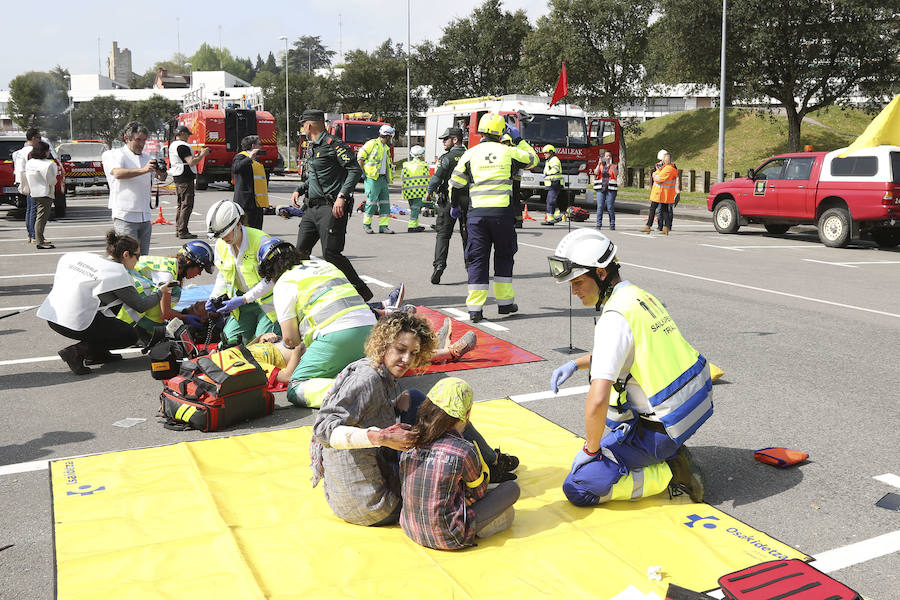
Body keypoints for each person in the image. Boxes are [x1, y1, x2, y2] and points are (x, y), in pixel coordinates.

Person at [547, 229, 711, 506]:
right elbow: (629, 350)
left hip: (661, 428)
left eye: (577, 282)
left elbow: (597, 400)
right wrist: (575, 363)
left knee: (578, 485)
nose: (574, 291)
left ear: (600, 273)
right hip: (686, 411)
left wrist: (590, 451)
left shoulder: (614, 317)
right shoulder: (637, 297)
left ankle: (669, 473)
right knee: (613, 431)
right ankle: (669, 451)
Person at [309, 312, 519, 527]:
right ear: (383, 344)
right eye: (400, 350)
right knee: (440, 411)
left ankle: (487, 462)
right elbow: (323, 429)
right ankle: (483, 466)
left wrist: (389, 410)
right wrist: (380, 436)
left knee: (413, 398)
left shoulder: (375, 369)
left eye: (413, 353)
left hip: (343, 501)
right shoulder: (367, 379)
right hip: (375, 505)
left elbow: (359, 415)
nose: (407, 359)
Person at [400, 377, 520, 550]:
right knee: (511, 489)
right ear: (466, 414)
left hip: (410, 527)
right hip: (450, 537)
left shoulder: (410, 438)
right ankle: (480, 526)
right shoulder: (464, 450)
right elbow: (478, 494)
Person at [257, 238, 377, 408]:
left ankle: (353, 393)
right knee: (340, 369)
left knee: (296, 387)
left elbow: (291, 339)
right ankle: (367, 382)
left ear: (270, 272)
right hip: (371, 332)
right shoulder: (325, 265)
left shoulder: (285, 282)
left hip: (337, 336)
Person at [37, 231, 177, 375]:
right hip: (72, 321)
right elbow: (140, 306)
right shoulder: (117, 273)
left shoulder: (91, 260)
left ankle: (97, 354)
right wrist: (161, 291)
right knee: (129, 335)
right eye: (137, 256)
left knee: (110, 319)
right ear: (126, 255)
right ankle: (76, 352)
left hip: (52, 316)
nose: (138, 260)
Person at [449, 113, 538, 322]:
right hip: (502, 214)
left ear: (480, 132)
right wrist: (518, 139)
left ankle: (475, 309)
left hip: (477, 215)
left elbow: (456, 184)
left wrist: (455, 207)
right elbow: (533, 158)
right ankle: (505, 304)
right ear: (502, 132)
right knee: (504, 256)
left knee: (477, 260)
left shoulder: (470, 154)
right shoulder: (509, 151)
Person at [290, 109, 372, 301]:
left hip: (331, 207)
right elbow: (317, 178)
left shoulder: (333, 145)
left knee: (331, 253)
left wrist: (342, 196)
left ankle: (361, 291)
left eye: (303, 125)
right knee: (299, 253)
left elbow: (354, 169)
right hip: (312, 209)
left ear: (309, 125)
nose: (302, 128)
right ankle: (305, 293)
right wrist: (300, 189)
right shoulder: (313, 147)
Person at [204, 199, 280, 346]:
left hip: (268, 306)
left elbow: (271, 279)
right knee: (227, 345)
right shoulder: (221, 244)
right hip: (242, 306)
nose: (223, 238)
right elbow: (222, 275)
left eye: (226, 234)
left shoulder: (261, 241)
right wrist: (214, 296)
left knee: (263, 346)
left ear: (238, 224)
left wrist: (244, 298)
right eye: (220, 236)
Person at [120, 240, 215, 332]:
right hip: (124, 314)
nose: (199, 274)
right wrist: (184, 317)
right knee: (174, 293)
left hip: (124, 293)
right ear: (190, 262)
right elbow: (165, 313)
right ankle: (142, 328)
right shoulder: (167, 276)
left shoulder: (170, 264)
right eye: (200, 269)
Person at [102, 122, 166, 256]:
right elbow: (118, 173)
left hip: (145, 216)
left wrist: (161, 172)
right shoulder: (114, 154)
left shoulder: (147, 158)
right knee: (127, 257)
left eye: (144, 140)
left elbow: (161, 178)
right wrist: (144, 170)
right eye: (138, 140)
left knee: (143, 258)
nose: (142, 144)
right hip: (125, 215)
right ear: (127, 138)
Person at [427, 127, 469, 285]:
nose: (443, 142)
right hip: (468, 201)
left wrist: (429, 191)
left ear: (455, 140)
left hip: (448, 201)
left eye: (446, 139)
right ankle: (470, 267)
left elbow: (438, 177)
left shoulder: (447, 157)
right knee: (468, 236)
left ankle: (439, 266)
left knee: (443, 235)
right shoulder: (470, 155)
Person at [168, 125, 210, 239]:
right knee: (187, 204)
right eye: (186, 134)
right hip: (185, 177)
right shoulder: (183, 146)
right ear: (181, 134)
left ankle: (179, 229)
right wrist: (202, 154)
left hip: (179, 175)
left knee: (181, 204)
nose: (188, 137)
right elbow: (191, 162)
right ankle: (182, 230)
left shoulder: (173, 145)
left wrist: (198, 155)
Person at [358, 124, 396, 234]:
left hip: (383, 179)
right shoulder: (372, 144)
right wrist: (363, 173)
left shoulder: (386, 148)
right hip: (372, 178)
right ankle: (367, 225)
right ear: (388, 136)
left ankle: (383, 226)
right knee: (371, 202)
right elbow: (360, 158)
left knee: (385, 203)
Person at [23, 141, 58, 250]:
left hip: (34, 192)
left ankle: (38, 238)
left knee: (36, 215)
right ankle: (40, 241)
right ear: (44, 152)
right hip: (45, 193)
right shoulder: (48, 164)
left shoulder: (30, 162)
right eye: (48, 150)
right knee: (42, 218)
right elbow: (52, 181)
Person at [232, 135, 268, 229]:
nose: (261, 147)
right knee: (246, 230)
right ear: (253, 146)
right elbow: (236, 168)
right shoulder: (241, 156)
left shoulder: (256, 159)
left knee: (257, 230)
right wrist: (249, 158)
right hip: (246, 202)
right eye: (259, 144)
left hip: (256, 202)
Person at [12, 127, 41, 244]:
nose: (40, 140)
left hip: (21, 179)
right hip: (30, 180)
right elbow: (33, 166)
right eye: (39, 137)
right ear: (33, 138)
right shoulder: (31, 151)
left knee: (29, 208)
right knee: (33, 208)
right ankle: (34, 235)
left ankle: (30, 234)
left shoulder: (19, 151)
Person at [641, 150, 679, 235]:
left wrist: (655, 172)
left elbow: (658, 178)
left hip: (660, 193)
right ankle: (666, 228)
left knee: (652, 209)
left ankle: (648, 226)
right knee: (665, 210)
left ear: (665, 160)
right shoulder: (671, 168)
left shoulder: (668, 169)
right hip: (664, 193)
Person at [400, 145, 429, 233]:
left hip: (408, 191)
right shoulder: (424, 165)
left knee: (413, 208)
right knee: (416, 208)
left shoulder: (406, 165)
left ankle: (415, 225)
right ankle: (412, 226)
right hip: (419, 191)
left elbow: (402, 176)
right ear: (421, 155)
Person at [501, 133, 525, 229]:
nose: (503, 144)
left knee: (514, 199)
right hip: (512, 178)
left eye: (505, 142)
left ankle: (517, 221)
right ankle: (516, 220)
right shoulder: (514, 150)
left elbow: (515, 164)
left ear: (509, 142)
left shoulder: (512, 151)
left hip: (514, 178)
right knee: (513, 200)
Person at [593, 150, 618, 230]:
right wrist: (599, 163)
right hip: (601, 188)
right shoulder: (600, 166)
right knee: (600, 206)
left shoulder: (614, 165)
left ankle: (612, 224)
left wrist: (610, 165)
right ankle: (598, 224)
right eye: (606, 156)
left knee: (610, 207)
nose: (608, 157)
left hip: (611, 189)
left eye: (609, 156)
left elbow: (616, 174)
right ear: (603, 157)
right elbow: (596, 173)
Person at [541, 145, 564, 226]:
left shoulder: (554, 160)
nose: (544, 155)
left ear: (551, 152)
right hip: (551, 184)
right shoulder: (549, 160)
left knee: (550, 201)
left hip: (555, 183)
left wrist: (547, 173)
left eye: (546, 153)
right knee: (550, 200)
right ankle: (557, 216)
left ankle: (550, 219)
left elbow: (555, 169)